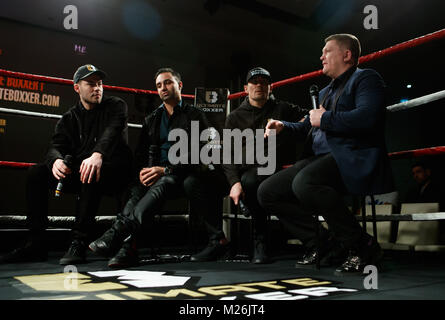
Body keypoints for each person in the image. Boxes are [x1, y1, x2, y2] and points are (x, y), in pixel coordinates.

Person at [258, 34, 394, 274]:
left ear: (347, 55)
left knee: (305, 182)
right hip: (321, 159)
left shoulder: (366, 79)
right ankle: (324, 243)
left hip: (352, 156)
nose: (321, 56)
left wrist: (326, 118)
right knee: (267, 191)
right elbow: (308, 125)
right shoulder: (324, 93)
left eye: (327, 51)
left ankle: (363, 245)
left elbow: (369, 117)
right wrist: (282, 126)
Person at [88, 67, 230, 268]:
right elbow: (141, 154)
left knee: (162, 183)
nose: (163, 87)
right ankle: (128, 248)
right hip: (158, 175)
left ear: (179, 85)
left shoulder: (195, 115)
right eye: (159, 85)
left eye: (168, 82)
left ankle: (117, 233)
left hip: (182, 175)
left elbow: (205, 151)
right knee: (136, 190)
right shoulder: (152, 119)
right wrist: (144, 172)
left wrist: (165, 170)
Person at [0, 64, 133, 265]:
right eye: (90, 84)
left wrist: (98, 154)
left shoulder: (116, 105)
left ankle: (78, 242)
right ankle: (36, 243)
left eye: (99, 84)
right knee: (36, 173)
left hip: (114, 172)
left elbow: (112, 132)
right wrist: (56, 161)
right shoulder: (70, 117)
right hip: (84, 172)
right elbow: (55, 145)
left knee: (89, 170)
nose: (97, 88)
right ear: (77, 88)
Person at [222, 67, 305, 264]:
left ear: (270, 87)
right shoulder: (234, 117)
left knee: (251, 181)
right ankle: (256, 239)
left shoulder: (282, 108)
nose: (259, 85)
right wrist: (234, 182)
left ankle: (260, 240)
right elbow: (226, 154)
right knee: (242, 177)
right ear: (246, 88)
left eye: (263, 81)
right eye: (254, 81)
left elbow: (308, 118)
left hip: (271, 168)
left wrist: (288, 128)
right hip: (245, 169)